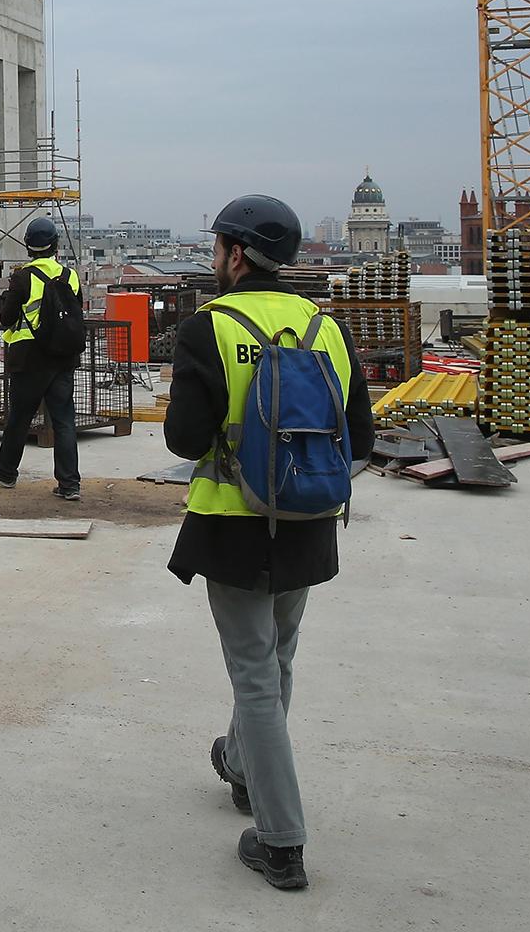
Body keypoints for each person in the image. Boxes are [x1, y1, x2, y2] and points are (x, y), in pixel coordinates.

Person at [164, 194, 374, 892]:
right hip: (309, 520)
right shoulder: (327, 329)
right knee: (278, 659)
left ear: (235, 253)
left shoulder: (209, 327)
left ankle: (281, 841)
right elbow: (362, 442)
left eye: (219, 244)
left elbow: (184, 441)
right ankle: (246, 771)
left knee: (254, 678)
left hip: (232, 523)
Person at [0, 217, 83, 500]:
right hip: (62, 358)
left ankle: (6, 471)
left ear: (28, 246)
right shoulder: (70, 276)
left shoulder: (23, 276)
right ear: (56, 245)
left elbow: (6, 318)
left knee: (20, 418)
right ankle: (69, 484)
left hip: (29, 359)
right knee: (63, 421)